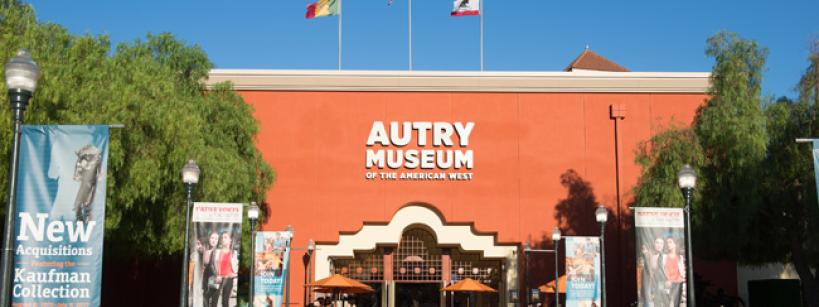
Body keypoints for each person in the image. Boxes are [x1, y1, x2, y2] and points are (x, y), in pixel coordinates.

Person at [213, 231, 239, 307]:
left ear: (230, 239)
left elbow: (236, 268)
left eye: (225, 237)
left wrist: (234, 274)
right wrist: (217, 275)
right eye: (222, 238)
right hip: (218, 278)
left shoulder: (234, 253)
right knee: (214, 300)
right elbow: (213, 265)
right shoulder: (217, 252)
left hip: (228, 279)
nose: (223, 239)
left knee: (225, 301)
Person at [663, 237, 685, 307]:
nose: (668, 244)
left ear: (675, 244)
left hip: (678, 282)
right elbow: (663, 270)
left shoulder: (680, 257)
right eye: (667, 243)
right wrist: (667, 280)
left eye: (670, 242)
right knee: (668, 303)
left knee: (675, 303)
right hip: (668, 283)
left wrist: (683, 278)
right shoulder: (664, 257)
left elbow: (682, 270)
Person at [202, 231, 220, 307]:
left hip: (215, 278)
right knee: (205, 299)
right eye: (212, 238)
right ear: (209, 238)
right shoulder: (205, 251)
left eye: (216, 238)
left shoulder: (219, 251)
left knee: (214, 302)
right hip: (205, 278)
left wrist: (219, 276)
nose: (214, 240)